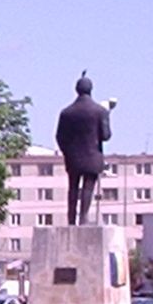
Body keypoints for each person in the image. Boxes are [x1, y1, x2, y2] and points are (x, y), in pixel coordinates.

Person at [56, 74, 112, 225]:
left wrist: (67, 152)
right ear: (91, 89)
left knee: (72, 188)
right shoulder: (100, 111)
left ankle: (71, 218)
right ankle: (84, 218)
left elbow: (59, 137)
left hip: (73, 158)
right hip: (93, 156)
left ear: (76, 90)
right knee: (88, 187)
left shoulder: (66, 112)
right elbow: (106, 135)